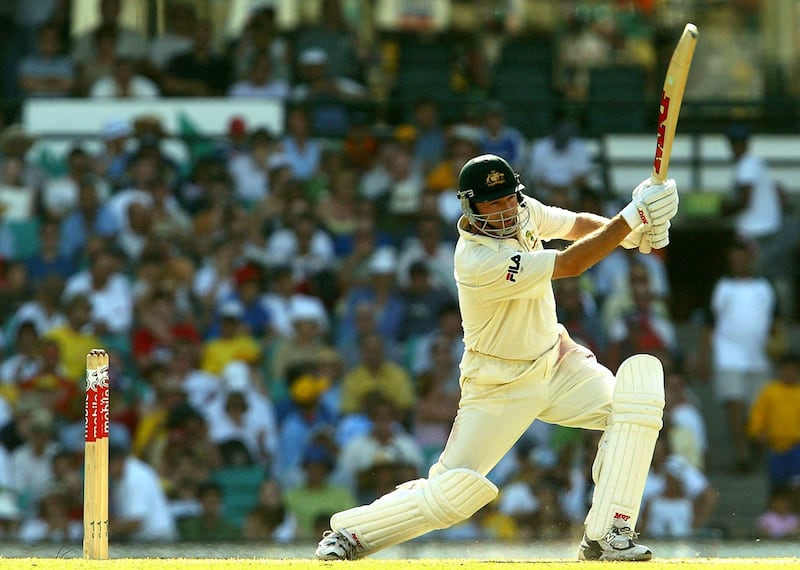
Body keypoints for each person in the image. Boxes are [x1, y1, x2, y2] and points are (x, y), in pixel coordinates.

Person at [315, 153, 679, 561]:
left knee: (635, 406)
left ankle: (608, 533)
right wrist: (632, 218)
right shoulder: (477, 260)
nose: (506, 210)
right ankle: (351, 533)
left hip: (558, 362)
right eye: (494, 203)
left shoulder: (523, 212)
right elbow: (572, 262)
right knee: (453, 491)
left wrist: (633, 232)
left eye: (510, 198)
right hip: (498, 383)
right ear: (470, 207)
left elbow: (575, 226)